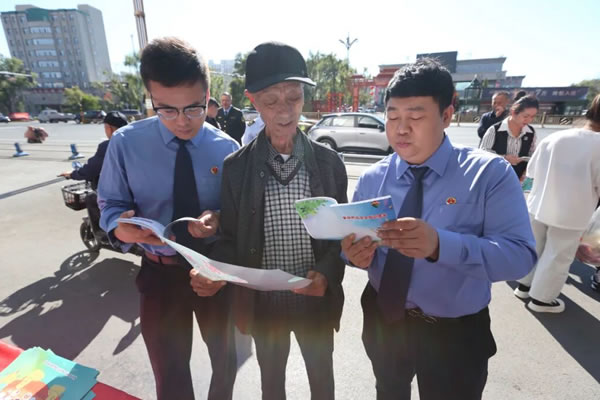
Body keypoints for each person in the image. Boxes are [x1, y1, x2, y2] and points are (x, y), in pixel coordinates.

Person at [341, 58, 536, 400]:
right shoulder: (373, 178)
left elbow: (520, 256)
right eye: (392, 117)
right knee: (388, 391)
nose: (401, 129)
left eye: (415, 117)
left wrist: (440, 246)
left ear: (446, 116)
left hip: (454, 333)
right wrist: (352, 255)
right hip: (384, 318)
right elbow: (355, 244)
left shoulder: (488, 174)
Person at [194, 41, 347, 400]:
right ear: (252, 100)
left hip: (315, 303)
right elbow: (231, 239)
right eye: (271, 100)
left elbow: (341, 238)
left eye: (294, 97)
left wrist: (326, 275)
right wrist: (214, 272)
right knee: (271, 386)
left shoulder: (329, 164)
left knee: (322, 384)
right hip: (264, 308)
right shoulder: (237, 168)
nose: (284, 111)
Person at [97, 37, 240, 400]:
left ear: (208, 95)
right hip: (159, 274)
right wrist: (123, 229)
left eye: (193, 108)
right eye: (166, 109)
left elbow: (240, 215)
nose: (182, 121)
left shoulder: (227, 149)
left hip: (213, 272)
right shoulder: (126, 143)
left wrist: (219, 218)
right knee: (170, 375)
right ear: (151, 98)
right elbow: (109, 205)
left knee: (225, 364)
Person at [514, 93, 600, 312]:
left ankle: (524, 286)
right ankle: (542, 300)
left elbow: (531, 171)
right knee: (558, 256)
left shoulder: (556, 137)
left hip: (538, 204)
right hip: (572, 212)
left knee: (535, 247)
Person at [59, 111, 128, 233]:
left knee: (92, 198)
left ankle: (102, 234)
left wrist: (72, 174)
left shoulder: (108, 145)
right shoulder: (135, 141)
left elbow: (91, 170)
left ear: (109, 128)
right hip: (140, 186)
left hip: (122, 190)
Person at [479, 95, 539, 180]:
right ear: (513, 112)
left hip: (518, 180)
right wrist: (504, 158)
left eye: (532, 117)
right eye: (525, 116)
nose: (529, 120)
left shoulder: (531, 132)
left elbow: (532, 155)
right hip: (495, 178)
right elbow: (483, 153)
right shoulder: (494, 130)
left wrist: (526, 173)